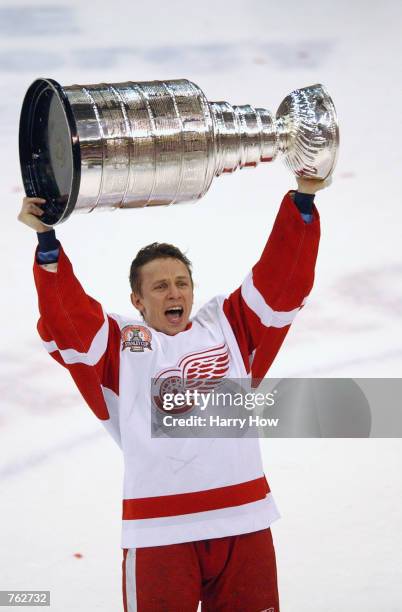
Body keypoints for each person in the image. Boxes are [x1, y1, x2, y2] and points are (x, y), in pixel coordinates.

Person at [18, 177, 329, 611]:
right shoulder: (124, 346)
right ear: (138, 301)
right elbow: (69, 320)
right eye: (160, 286)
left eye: (181, 282)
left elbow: (282, 283)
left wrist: (304, 199)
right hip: (159, 532)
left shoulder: (228, 326)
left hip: (244, 521)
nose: (175, 292)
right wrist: (47, 243)